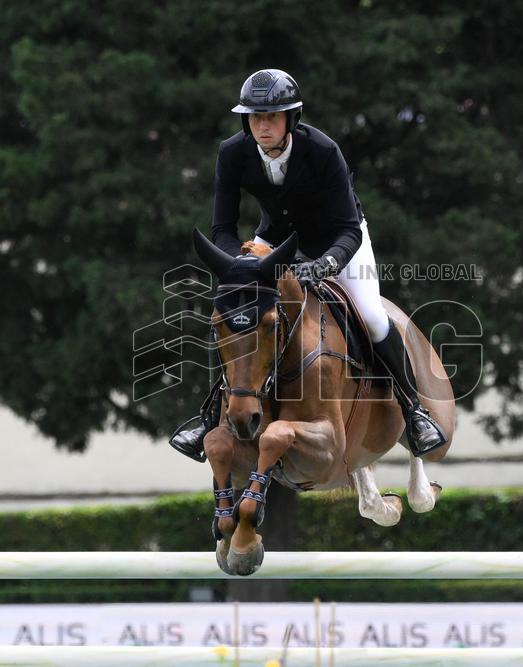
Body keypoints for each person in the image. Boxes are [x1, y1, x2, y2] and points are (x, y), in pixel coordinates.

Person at [169, 68, 447, 461]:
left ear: (291, 119)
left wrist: (324, 265)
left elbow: (349, 229)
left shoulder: (323, 150)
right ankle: (208, 417)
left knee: (371, 316)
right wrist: (239, 265)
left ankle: (413, 410)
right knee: (238, 315)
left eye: (272, 117)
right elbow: (223, 228)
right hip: (277, 243)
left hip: (339, 242)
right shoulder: (233, 152)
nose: (262, 126)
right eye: (255, 117)